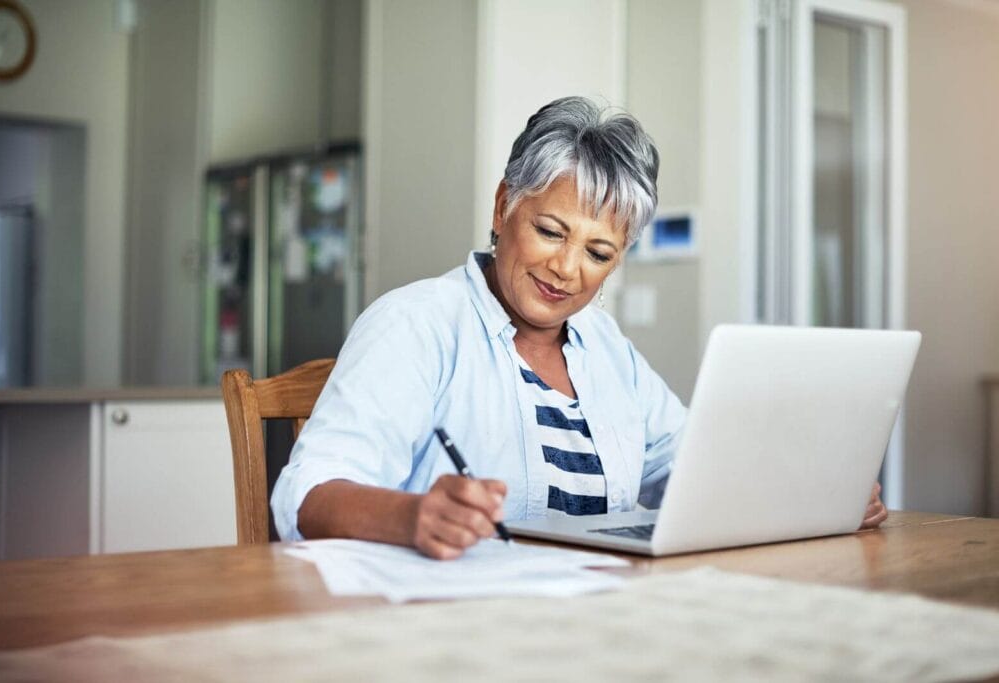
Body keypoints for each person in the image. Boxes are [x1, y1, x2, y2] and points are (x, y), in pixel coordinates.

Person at [270, 96, 888, 559]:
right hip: (451, 631)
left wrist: (814, 492)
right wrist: (412, 517)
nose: (567, 271)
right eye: (550, 231)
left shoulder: (604, 344)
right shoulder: (416, 325)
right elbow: (306, 496)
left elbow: (689, 467)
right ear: (503, 205)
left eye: (599, 253)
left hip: (596, 621)